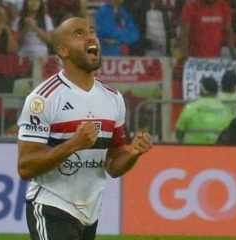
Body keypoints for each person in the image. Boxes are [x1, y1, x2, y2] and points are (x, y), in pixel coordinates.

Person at [16, 17, 153, 239]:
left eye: (91, 31)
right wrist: (74, 144)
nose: (91, 37)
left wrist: (133, 153)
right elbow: (25, 168)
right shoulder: (43, 99)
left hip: (90, 213)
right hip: (51, 206)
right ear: (63, 51)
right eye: (79, 34)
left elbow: (113, 165)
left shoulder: (113, 99)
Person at [176, 76, 234, 144]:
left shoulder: (190, 108)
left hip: (192, 150)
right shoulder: (227, 110)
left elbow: (179, 132)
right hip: (218, 151)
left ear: (203, 90)